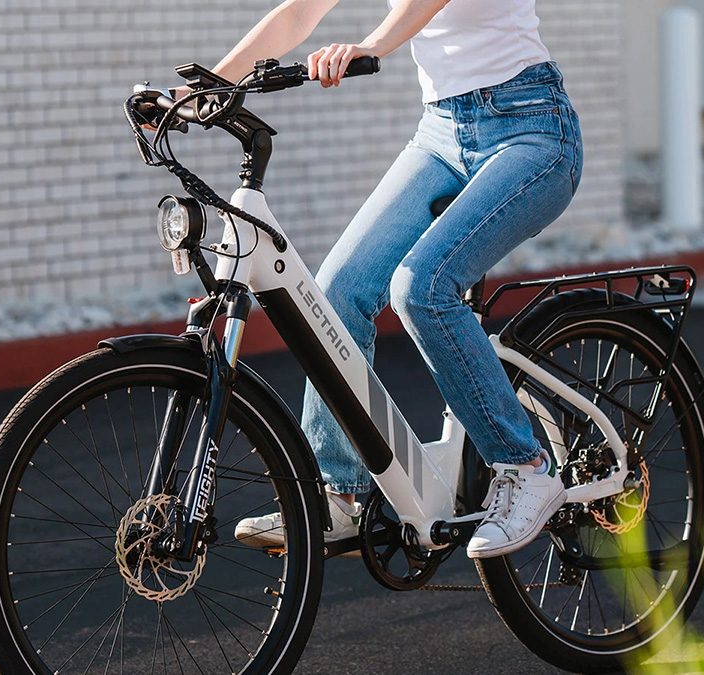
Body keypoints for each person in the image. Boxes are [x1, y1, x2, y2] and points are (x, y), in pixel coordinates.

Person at [223, 0, 583, 558]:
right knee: (336, 292)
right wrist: (205, 88)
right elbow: (298, 12)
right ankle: (341, 495)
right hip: (441, 132)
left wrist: (371, 45)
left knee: (421, 287)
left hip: (531, 127)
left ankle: (526, 466)